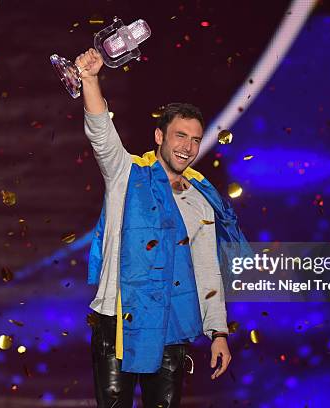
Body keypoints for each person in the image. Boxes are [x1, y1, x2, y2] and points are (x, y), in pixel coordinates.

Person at [77, 48, 248, 408]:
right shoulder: (126, 175)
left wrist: (218, 333)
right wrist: (91, 80)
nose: (187, 147)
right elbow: (101, 133)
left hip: (172, 324)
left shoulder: (201, 200)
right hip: (117, 321)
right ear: (159, 137)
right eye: (180, 136)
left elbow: (206, 271)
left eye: (195, 139)